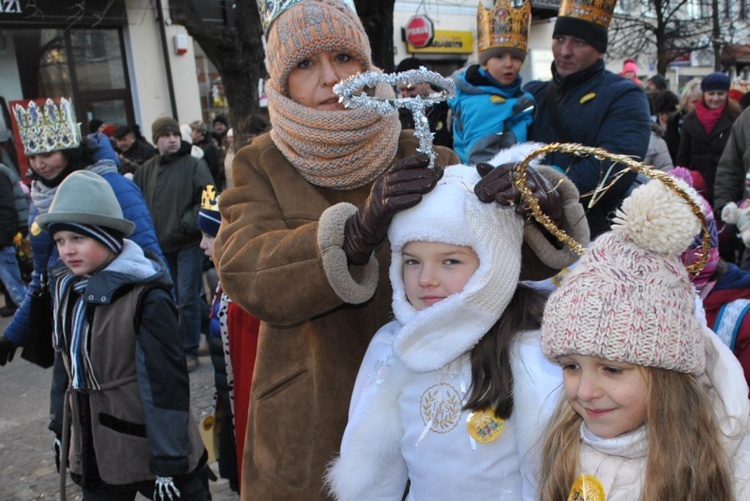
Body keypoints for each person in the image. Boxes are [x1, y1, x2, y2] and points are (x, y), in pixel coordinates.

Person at [213, 1, 587, 498]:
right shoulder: (260, 163)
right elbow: (246, 269)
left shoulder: (425, 152)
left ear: (368, 67)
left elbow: (501, 262)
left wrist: (537, 208)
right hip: (314, 416)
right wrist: (352, 236)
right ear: (279, 84)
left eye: (344, 57)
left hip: (443, 411)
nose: (329, 78)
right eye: (304, 64)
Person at [326, 157, 587, 499]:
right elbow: (371, 474)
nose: (426, 279)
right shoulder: (393, 349)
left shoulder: (530, 349)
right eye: (412, 261)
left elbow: (548, 472)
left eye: (450, 261)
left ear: (495, 261)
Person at [538, 178, 750, 500]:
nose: (584, 392)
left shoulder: (730, 468)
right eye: (571, 366)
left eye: (612, 369)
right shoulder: (563, 442)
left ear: (668, 373)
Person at [36, 170, 210, 500]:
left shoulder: (146, 295)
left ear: (108, 237)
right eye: (60, 241)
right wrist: (62, 428)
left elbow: (165, 383)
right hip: (96, 445)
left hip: (150, 437)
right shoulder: (69, 290)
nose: (67, 250)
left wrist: (170, 458)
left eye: (78, 239)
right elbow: (66, 368)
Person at [0, 98, 163, 368]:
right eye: (33, 156)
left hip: (117, 322)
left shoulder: (113, 186)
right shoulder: (39, 201)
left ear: (70, 151)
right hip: (70, 327)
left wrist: (158, 328)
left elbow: (151, 261)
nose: (40, 164)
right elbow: (42, 280)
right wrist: (12, 335)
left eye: (48, 154)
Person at [525, 0, 651, 238]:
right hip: (531, 234)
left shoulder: (624, 95)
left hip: (592, 236)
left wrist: (543, 190)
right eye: (559, 39)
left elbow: (615, 165)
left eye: (579, 42)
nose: (565, 51)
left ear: (600, 49)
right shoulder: (535, 93)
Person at [134, 116, 214, 372]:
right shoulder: (145, 170)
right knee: (179, 298)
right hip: (159, 246)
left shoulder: (194, 164)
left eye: (175, 135)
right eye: (165, 135)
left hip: (188, 242)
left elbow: (209, 197)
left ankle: (189, 351)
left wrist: (186, 224)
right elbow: (138, 204)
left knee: (188, 297)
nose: (172, 139)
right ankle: (212, 332)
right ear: (155, 140)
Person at [448, 0, 535, 164]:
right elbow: (481, 163)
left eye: (516, 57)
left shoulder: (515, 95)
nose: (509, 64)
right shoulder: (481, 103)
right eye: (499, 56)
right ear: (484, 63)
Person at [676, 72, 740, 206]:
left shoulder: (736, 118)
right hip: (697, 187)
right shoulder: (690, 120)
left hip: (727, 187)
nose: (715, 98)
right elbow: (683, 156)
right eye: (711, 94)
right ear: (704, 95)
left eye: (720, 94)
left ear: (727, 95)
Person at [395, 57, 453, 149]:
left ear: (426, 83)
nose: (406, 95)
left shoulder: (447, 107)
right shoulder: (399, 113)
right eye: (401, 90)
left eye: (411, 88)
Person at [0, 162, 27, 316]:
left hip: (3, 240)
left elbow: (7, 210)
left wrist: (2, 240)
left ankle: (33, 326)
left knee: (16, 289)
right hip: (5, 237)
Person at [665, 78, 702, 162]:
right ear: (685, 103)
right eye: (695, 102)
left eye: (701, 101)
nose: (698, 105)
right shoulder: (674, 121)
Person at [190, 120, 222, 187]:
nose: (190, 133)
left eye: (193, 131)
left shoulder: (209, 147)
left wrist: (201, 172)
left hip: (210, 184)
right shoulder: (193, 146)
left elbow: (215, 166)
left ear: (200, 132)